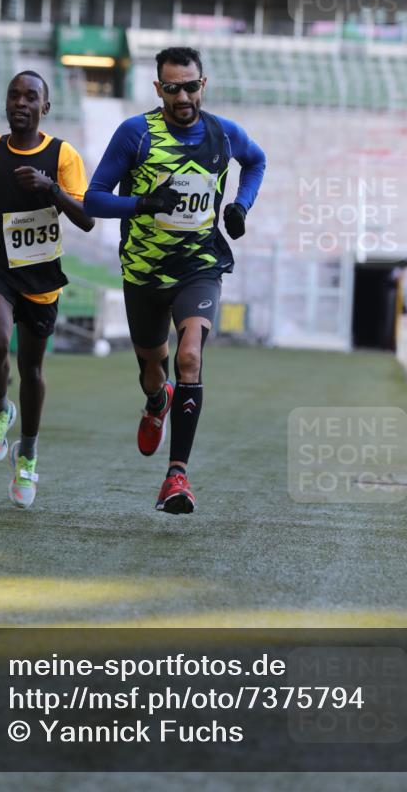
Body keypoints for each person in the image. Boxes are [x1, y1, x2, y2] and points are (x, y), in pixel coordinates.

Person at [84, 46, 266, 515]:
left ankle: (176, 476)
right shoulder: (136, 134)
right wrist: (143, 204)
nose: (182, 96)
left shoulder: (224, 134)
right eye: (172, 88)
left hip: (199, 266)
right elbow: (94, 200)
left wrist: (240, 205)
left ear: (202, 85)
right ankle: (155, 399)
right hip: (144, 270)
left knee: (190, 357)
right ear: (158, 88)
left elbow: (257, 161)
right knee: (153, 369)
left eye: (190, 86)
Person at [0, 71, 94, 509]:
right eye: (14, 94)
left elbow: (87, 218)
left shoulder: (62, 154)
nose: (21, 102)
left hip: (40, 273)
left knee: (31, 371)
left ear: (44, 108)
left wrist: (50, 187)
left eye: (31, 96)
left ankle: (27, 453)